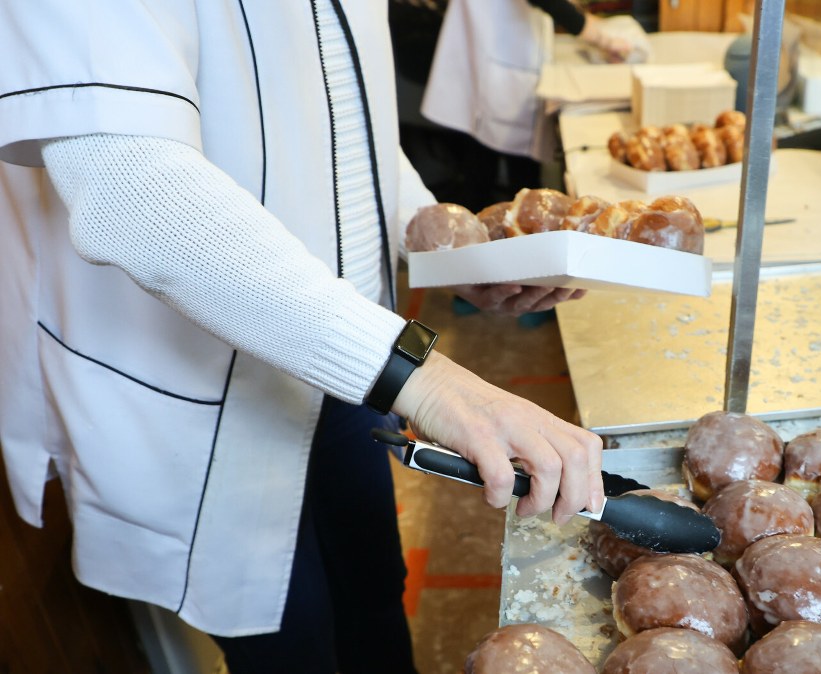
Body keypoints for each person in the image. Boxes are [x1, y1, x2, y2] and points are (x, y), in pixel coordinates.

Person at [0, 2, 601, 671]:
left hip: (340, 353)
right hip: (197, 378)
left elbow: (338, 99)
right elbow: (127, 182)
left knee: (372, 591)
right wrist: (419, 375)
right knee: (291, 638)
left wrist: (432, 237)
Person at [395, 0, 634, 212]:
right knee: (511, 177)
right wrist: (602, 37)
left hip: (491, 56)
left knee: (483, 162)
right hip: (499, 63)